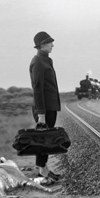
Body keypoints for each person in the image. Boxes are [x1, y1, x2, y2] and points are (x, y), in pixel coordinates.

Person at [29, 31, 62, 182]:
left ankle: (44, 170)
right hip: (44, 109)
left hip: (50, 107)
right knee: (43, 140)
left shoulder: (46, 60)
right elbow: (38, 89)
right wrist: (41, 114)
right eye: (50, 43)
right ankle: (42, 173)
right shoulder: (37, 62)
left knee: (46, 140)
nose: (52, 45)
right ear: (42, 45)